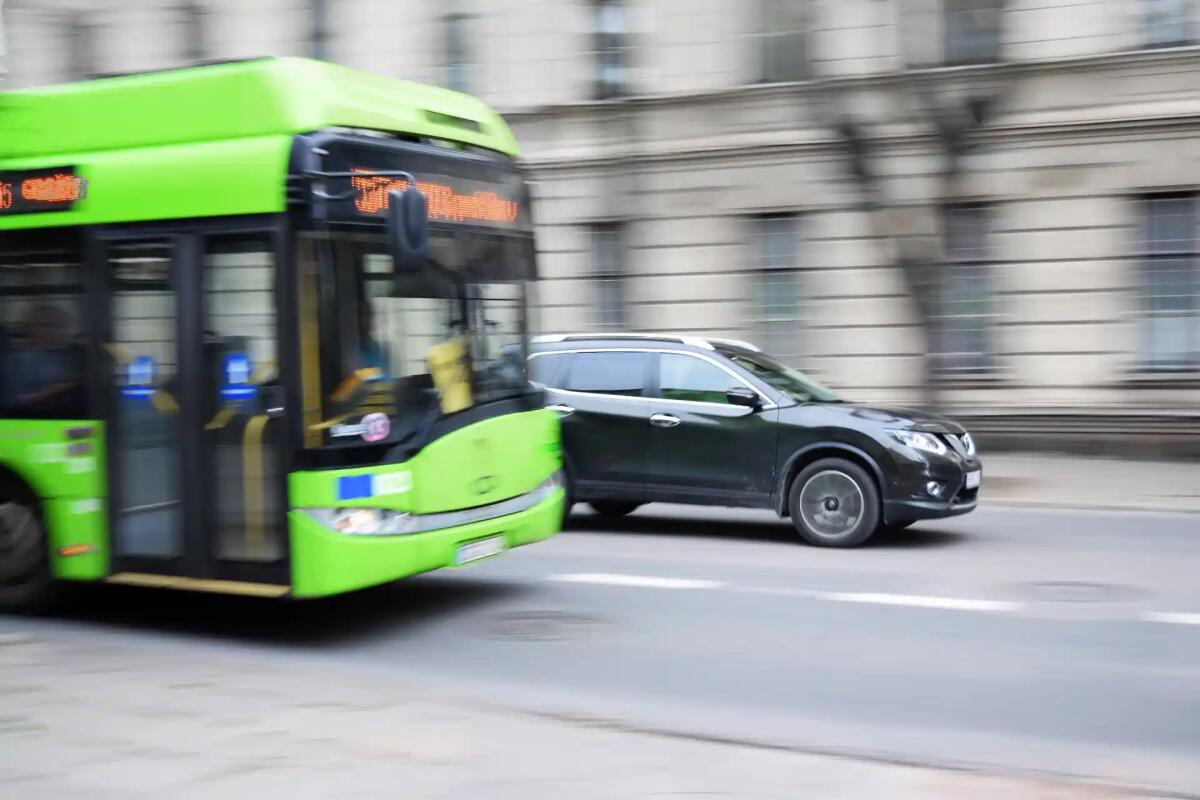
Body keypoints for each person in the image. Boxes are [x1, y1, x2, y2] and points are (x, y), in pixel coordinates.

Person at [1, 303, 80, 415]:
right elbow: (11, 402)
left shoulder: (70, 356)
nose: (56, 332)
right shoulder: (17, 360)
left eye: (61, 326)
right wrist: (51, 391)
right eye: (47, 326)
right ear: (30, 329)